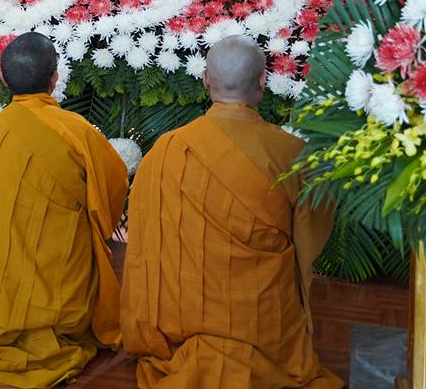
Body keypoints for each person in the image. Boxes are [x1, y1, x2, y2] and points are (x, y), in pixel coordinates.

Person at [121, 35, 340, 388]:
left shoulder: (168, 150)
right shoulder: (292, 154)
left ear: (206, 80)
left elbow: (147, 238)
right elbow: (312, 233)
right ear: (262, 83)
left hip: (182, 320)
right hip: (261, 323)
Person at [0, 33, 128, 388]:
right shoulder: (78, 132)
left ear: (2, 79)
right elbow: (111, 195)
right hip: (55, 284)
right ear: (55, 77)